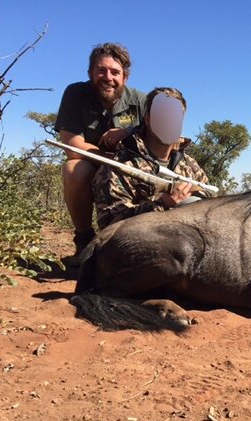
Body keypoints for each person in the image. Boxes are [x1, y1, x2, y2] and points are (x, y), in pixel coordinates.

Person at [55, 42, 146, 264]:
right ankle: (84, 242)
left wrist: (126, 131)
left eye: (115, 72)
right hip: (95, 164)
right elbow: (72, 145)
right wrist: (111, 160)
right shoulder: (75, 93)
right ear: (90, 73)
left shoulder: (140, 100)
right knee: (74, 169)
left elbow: (154, 140)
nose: (108, 77)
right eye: (101, 71)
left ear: (125, 76)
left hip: (131, 172)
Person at [93, 87, 212, 230]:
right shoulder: (119, 166)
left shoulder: (190, 165)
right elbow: (109, 224)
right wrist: (163, 204)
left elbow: (210, 202)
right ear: (147, 119)